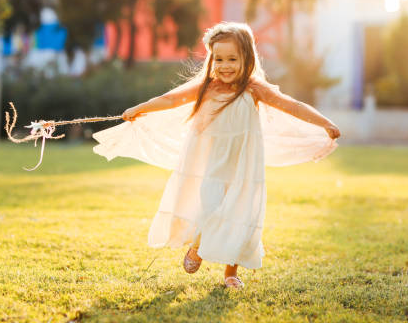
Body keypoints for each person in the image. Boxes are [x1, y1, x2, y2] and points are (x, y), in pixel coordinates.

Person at [92, 21, 340, 289]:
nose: (225, 65)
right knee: (212, 207)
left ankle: (231, 273)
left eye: (232, 59)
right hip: (214, 166)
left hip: (244, 167)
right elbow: (170, 99)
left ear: (247, 58)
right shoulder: (208, 88)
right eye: (219, 59)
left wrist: (324, 122)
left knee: (240, 215)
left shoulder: (254, 89)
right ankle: (199, 244)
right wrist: (141, 108)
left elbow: (293, 105)